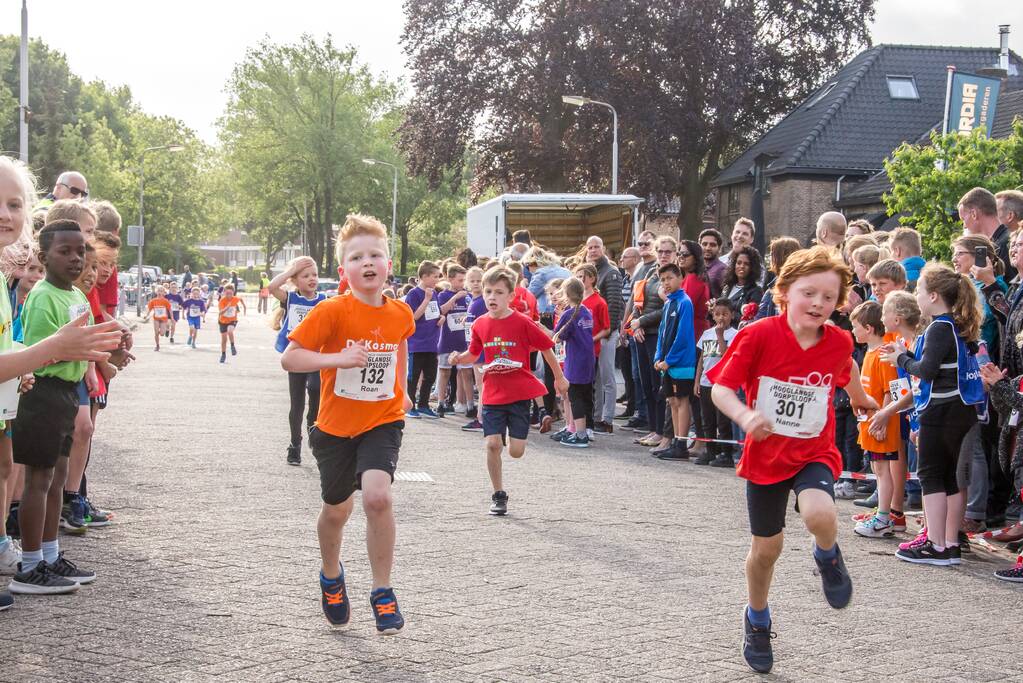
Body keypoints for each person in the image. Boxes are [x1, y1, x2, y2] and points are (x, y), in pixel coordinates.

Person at [708, 246, 877, 674]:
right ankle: (757, 619)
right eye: (809, 293)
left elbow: (847, 368)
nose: (818, 303)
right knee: (767, 550)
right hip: (765, 455)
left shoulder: (837, 340)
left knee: (821, 513)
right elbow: (720, 389)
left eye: (828, 297)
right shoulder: (758, 334)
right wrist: (745, 415)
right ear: (784, 292)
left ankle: (827, 556)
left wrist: (859, 399)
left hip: (812, 451)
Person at [282, 213, 414, 634]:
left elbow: (400, 345)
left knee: (378, 497)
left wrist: (402, 386)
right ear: (344, 271)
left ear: (388, 265)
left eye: (376, 254)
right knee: (337, 510)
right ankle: (330, 574)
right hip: (335, 428)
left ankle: (382, 590)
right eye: (358, 257)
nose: (368, 262)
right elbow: (291, 357)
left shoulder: (399, 313)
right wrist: (336, 358)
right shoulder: (331, 311)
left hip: (382, 418)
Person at [10, 219, 121, 596]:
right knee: (37, 482)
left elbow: (84, 344)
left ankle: (51, 554)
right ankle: (29, 565)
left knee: (56, 479)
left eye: (80, 252)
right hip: (42, 393)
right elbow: (41, 355)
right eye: (65, 252)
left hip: (67, 393)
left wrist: (107, 354)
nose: (75, 259)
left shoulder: (74, 295)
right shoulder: (43, 296)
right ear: (44, 256)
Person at [882, 263, 984, 566]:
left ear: (935, 296)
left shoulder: (940, 327)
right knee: (951, 477)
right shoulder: (957, 326)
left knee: (930, 474)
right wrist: (909, 355)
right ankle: (950, 542)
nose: (917, 296)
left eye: (919, 291)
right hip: (961, 409)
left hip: (941, 410)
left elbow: (926, 372)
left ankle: (936, 544)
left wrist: (902, 358)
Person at [448, 267, 568, 516]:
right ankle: (498, 494)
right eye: (488, 291)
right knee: (492, 445)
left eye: (498, 292)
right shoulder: (480, 324)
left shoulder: (522, 322)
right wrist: (459, 358)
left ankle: (514, 440)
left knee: (516, 451)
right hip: (492, 392)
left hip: (518, 395)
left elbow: (547, 348)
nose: (492, 297)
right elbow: (474, 352)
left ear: (511, 296)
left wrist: (559, 378)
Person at [849, 301, 902, 538]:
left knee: (882, 471)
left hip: (881, 424)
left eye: (855, 326)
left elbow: (892, 390)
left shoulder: (883, 355)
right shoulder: (871, 353)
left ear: (869, 328)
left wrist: (882, 419)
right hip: (869, 421)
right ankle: (881, 513)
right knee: (876, 468)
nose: (853, 331)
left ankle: (883, 518)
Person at [270, 256, 327, 466]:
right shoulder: (291, 298)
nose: (312, 279)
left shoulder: (324, 300)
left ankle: (313, 432)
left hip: (316, 356)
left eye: (315, 275)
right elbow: (272, 287)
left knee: (315, 391)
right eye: (305, 276)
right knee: (297, 404)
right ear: (295, 280)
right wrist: (291, 270)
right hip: (295, 356)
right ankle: (295, 444)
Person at [651, 263, 697, 461]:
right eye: (662, 280)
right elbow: (662, 333)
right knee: (671, 401)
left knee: (681, 401)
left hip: (681, 363)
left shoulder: (685, 302)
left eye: (669, 278)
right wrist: (658, 356)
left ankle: (681, 443)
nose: (666, 283)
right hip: (667, 363)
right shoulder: (669, 302)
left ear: (680, 277)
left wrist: (669, 360)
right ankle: (676, 442)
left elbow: (683, 336)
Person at [585, 236, 624, 432]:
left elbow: (614, 304)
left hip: (607, 333)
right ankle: (597, 416)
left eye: (596, 247)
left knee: (608, 376)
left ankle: (607, 420)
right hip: (597, 334)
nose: (593, 250)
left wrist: (608, 332)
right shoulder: (593, 272)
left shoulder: (611, 273)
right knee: (598, 377)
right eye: (590, 247)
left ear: (603, 248)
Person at [552, 277, 595, 448]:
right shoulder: (585, 311)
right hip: (588, 359)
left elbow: (556, 337)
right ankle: (579, 430)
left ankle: (580, 434)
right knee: (584, 396)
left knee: (575, 397)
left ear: (566, 294)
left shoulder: (569, 314)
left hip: (575, 360)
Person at [694, 298, 738, 467]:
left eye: (725, 314)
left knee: (723, 421)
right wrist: (697, 380)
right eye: (717, 314)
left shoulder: (734, 335)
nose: (721, 318)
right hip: (706, 382)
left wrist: (720, 336)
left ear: (732, 315)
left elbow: (727, 357)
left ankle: (726, 454)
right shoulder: (707, 333)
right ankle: (710, 450)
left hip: (722, 384)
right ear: (712, 315)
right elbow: (702, 359)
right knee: (708, 419)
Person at [573, 263, 610, 435]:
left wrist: (590, 339)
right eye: (578, 276)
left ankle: (589, 425)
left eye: (584, 277)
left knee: (588, 388)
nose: (581, 280)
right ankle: (574, 424)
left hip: (590, 351)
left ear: (592, 279)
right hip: (574, 351)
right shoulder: (575, 299)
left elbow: (606, 328)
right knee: (574, 388)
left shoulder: (599, 302)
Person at [403, 261, 443, 419]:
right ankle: (410, 405)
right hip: (417, 343)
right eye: (434, 276)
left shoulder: (435, 293)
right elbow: (412, 317)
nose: (437, 280)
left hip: (432, 342)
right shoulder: (414, 294)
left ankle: (424, 404)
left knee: (430, 376)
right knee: (413, 376)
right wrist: (426, 300)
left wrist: (441, 317)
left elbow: (436, 312)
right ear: (424, 276)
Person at [436, 265, 473, 417]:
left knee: (466, 372)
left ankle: (469, 405)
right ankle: (441, 403)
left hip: (464, 341)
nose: (463, 283)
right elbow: (441, 311)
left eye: (465, 280)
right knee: (444, 371)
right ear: (450, 279)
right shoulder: (443, 295)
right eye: (460, 280)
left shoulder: (468, 295)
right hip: (448, 340)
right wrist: (455, 297)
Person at [960, 187, 1016, 281]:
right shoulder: (998, 243)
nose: (964, 226)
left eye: (963, 219)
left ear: (974, 214)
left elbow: (1013, 289)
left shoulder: (1009, 243)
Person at [460, 266, 487, 432]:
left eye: (479, 280)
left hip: (482, 349)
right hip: (474, 347)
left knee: (482, 384)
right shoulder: (473, 301)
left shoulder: (483, 300)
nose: (476, 283)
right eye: (472, 281)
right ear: (467, 283)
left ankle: (482, 418)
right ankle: (481, 417)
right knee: (480, 384)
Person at [756, 237, 801, 320]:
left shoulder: (782, 288)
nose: (770, 259)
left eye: (772, 255)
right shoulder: (773, 285)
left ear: (780, 257)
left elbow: (760, 319)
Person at [721, 245, 764, 313]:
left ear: (752, 267)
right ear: (734, 265)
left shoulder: (756, 291)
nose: (742, 266)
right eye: (739, 263)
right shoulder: (727, 286)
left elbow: (753, 318)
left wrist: (730, 316)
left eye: (746, 264)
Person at [217, 283, 246, 363]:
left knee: (230, 331)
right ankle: (223, 354)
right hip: (222, 321)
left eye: (231, 293)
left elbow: (240, 299)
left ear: (233, 292)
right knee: (224, 340)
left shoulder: (235, 298)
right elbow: (220, 313)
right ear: (224, 292)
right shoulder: (222, 300)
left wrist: (244, 307)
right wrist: (227, 307)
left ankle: (232, 346)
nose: (229, 295)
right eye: (227, 293)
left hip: (232, 320)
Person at [699, 228, 727, 298]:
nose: (708, 248)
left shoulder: (722, 269)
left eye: (712, 245)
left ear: (719, 248)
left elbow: (726, 297)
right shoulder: (696, 268)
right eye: (704, 244)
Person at [143, 285, 172, 352]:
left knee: (162, 334)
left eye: (161, 291)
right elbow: (149, 309)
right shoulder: (153, 301)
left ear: (164, 293)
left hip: (164, 319)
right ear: (156, 292)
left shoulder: (165, 301)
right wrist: (146, 315)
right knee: (156, 332)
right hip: (156, 318)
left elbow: (169, 309)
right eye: (158, 291)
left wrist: (172, 317)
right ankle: (157, 345)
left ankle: (166, 329)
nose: (160, 292)